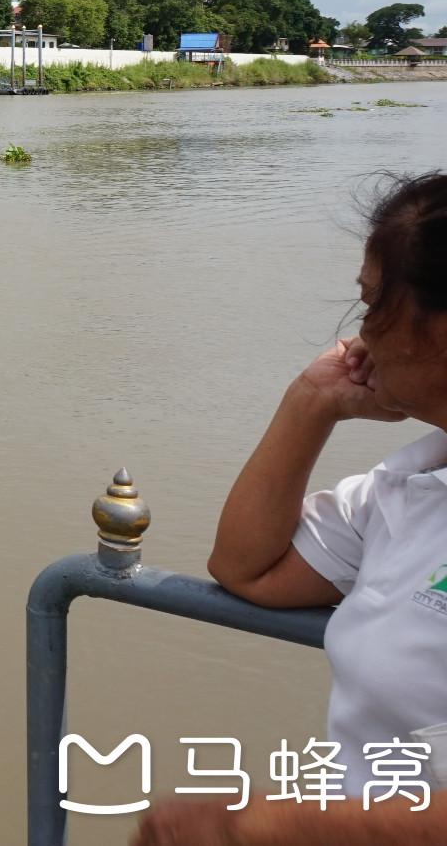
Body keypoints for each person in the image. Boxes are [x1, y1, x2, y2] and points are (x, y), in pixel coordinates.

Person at [136, 173, 447, 845]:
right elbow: (248, 566)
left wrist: (256, 824)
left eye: (371, 306)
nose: (359, 335)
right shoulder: (411, 488)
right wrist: (311, 400)